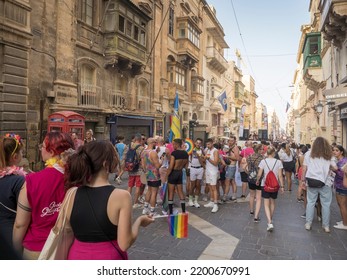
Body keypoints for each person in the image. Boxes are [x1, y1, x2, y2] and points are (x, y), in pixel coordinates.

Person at [64, 141, 154, 259]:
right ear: (106, 165)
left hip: (76, 256)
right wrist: (139, 221)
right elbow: (124, 243)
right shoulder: (122, 196)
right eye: (115, 157)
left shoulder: (72, 193)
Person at [13, 132, 74, 259]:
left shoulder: (32, 181)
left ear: (51, 152)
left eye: (43, 145)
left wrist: (15, 250)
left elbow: (20, 223)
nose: (40, 148)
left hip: (37, 249)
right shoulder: (79, 177)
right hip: (70, 247)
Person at [302, 137, 337, 233]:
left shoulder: (309, 154)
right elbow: (335, 168)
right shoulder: (329, 155)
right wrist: (328, 166)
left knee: (310, 202)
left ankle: (308, 223)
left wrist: (302, 181)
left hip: (311, 181)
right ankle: (326, 226)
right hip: (325, 182)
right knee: (326, 204)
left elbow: (304, 168)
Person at [0, 133, 26, 256]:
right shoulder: (19, 181)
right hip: (10, 234)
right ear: (15, 157)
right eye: (22, 153)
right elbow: (21, 221)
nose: (22, 155)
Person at [256, 146, 285, 232]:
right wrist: (282, 186)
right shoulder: (279, 162)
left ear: (267, 153)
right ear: (274, 153)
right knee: (273, 202)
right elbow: (280, 176)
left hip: (265, 185)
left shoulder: (263, 161)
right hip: (275, 185)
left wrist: (257, 180)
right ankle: (270, 220)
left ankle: (269, 222)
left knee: (266, 204)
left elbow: (259, 173)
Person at [166, 138, 189, 215]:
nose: (173, 146)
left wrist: (167, 175)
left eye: (173, 144)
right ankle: (183, 211)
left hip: (173, 173)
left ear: (176, 144)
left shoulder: (174, 153)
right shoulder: (186, 153)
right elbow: (186, 165)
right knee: (180, 191)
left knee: (171, 192)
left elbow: (171, 166)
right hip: (180, 173)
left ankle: (171, 211)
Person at [141, 138, 162, 216]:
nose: (156, 144)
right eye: (155, 142)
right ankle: (152, 211)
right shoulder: (153, 153)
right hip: (155, 175)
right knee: (154, 193)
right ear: (152, 143)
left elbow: (143, 165)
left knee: (149, 191)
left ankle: (145, 208)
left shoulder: (143, 152)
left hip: (148, 174)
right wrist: (161, 160)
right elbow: (157, 166)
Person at [246, 144, 264, 221]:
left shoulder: (249, 157)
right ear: (259, 150)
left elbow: (248, 167)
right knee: (259, 197)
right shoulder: (261, 158)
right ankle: (256, 216)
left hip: (250, 177)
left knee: (251, 195)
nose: (263, 150)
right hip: (258, 179)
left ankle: (251, 210)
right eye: (262, 149)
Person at [127, 134, 145, 208]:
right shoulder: (142, 148)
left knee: (130, 185)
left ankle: (127, 201)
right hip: (139, 169)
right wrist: (144, 169)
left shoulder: (130, 146)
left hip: (131, 168)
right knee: (138, 186)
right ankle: (135, 203)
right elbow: (142, 160)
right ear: (140, 140)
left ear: (135, 139)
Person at [332, 145, 347, 230]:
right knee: (340, 204)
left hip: (342, 186)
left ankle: (345, 224)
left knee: (342, 205)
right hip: (339, 185)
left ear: (341, 152)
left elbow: (343, 174)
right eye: (334, 150)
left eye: (337, 150)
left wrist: (334, 170)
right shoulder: (340, 161)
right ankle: (344, 220)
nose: (334, 152)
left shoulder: (343, 161)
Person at [203, 138, 220, 213]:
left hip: (213, 171)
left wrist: (208, 158)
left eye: (209, 144)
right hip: (208, 170)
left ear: (212, 143)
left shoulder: (215, 151)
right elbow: (204, 160)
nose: (207, 146)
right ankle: (211, 201)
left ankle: (216, 204)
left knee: (214, 187)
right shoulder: (207, 150)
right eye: (206, 144)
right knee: (209, 186)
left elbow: (216, 163)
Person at [188, 138, 205, 208]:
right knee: (192, 185)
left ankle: (196, 201)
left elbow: (204, 159)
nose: (198, 144)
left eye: (200, 143)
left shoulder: (202, 150)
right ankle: (190, 200)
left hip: (200, 168)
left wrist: (202, 155)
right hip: (193, 168)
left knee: (198, 185)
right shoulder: (191, 150)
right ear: (195, 143)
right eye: (197, 142)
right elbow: (188, 158)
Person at [224, 136, 240, 201]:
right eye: (229, 140)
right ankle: (234, 195)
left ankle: (225, 196)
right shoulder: (230, 147)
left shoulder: (235, 148)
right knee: (232, 181)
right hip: (229, 166)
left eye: (232, 141)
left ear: (235, 141)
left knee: (227, 182)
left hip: (232, 166)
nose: (230, 142)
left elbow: (237, 158)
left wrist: (228, 156)